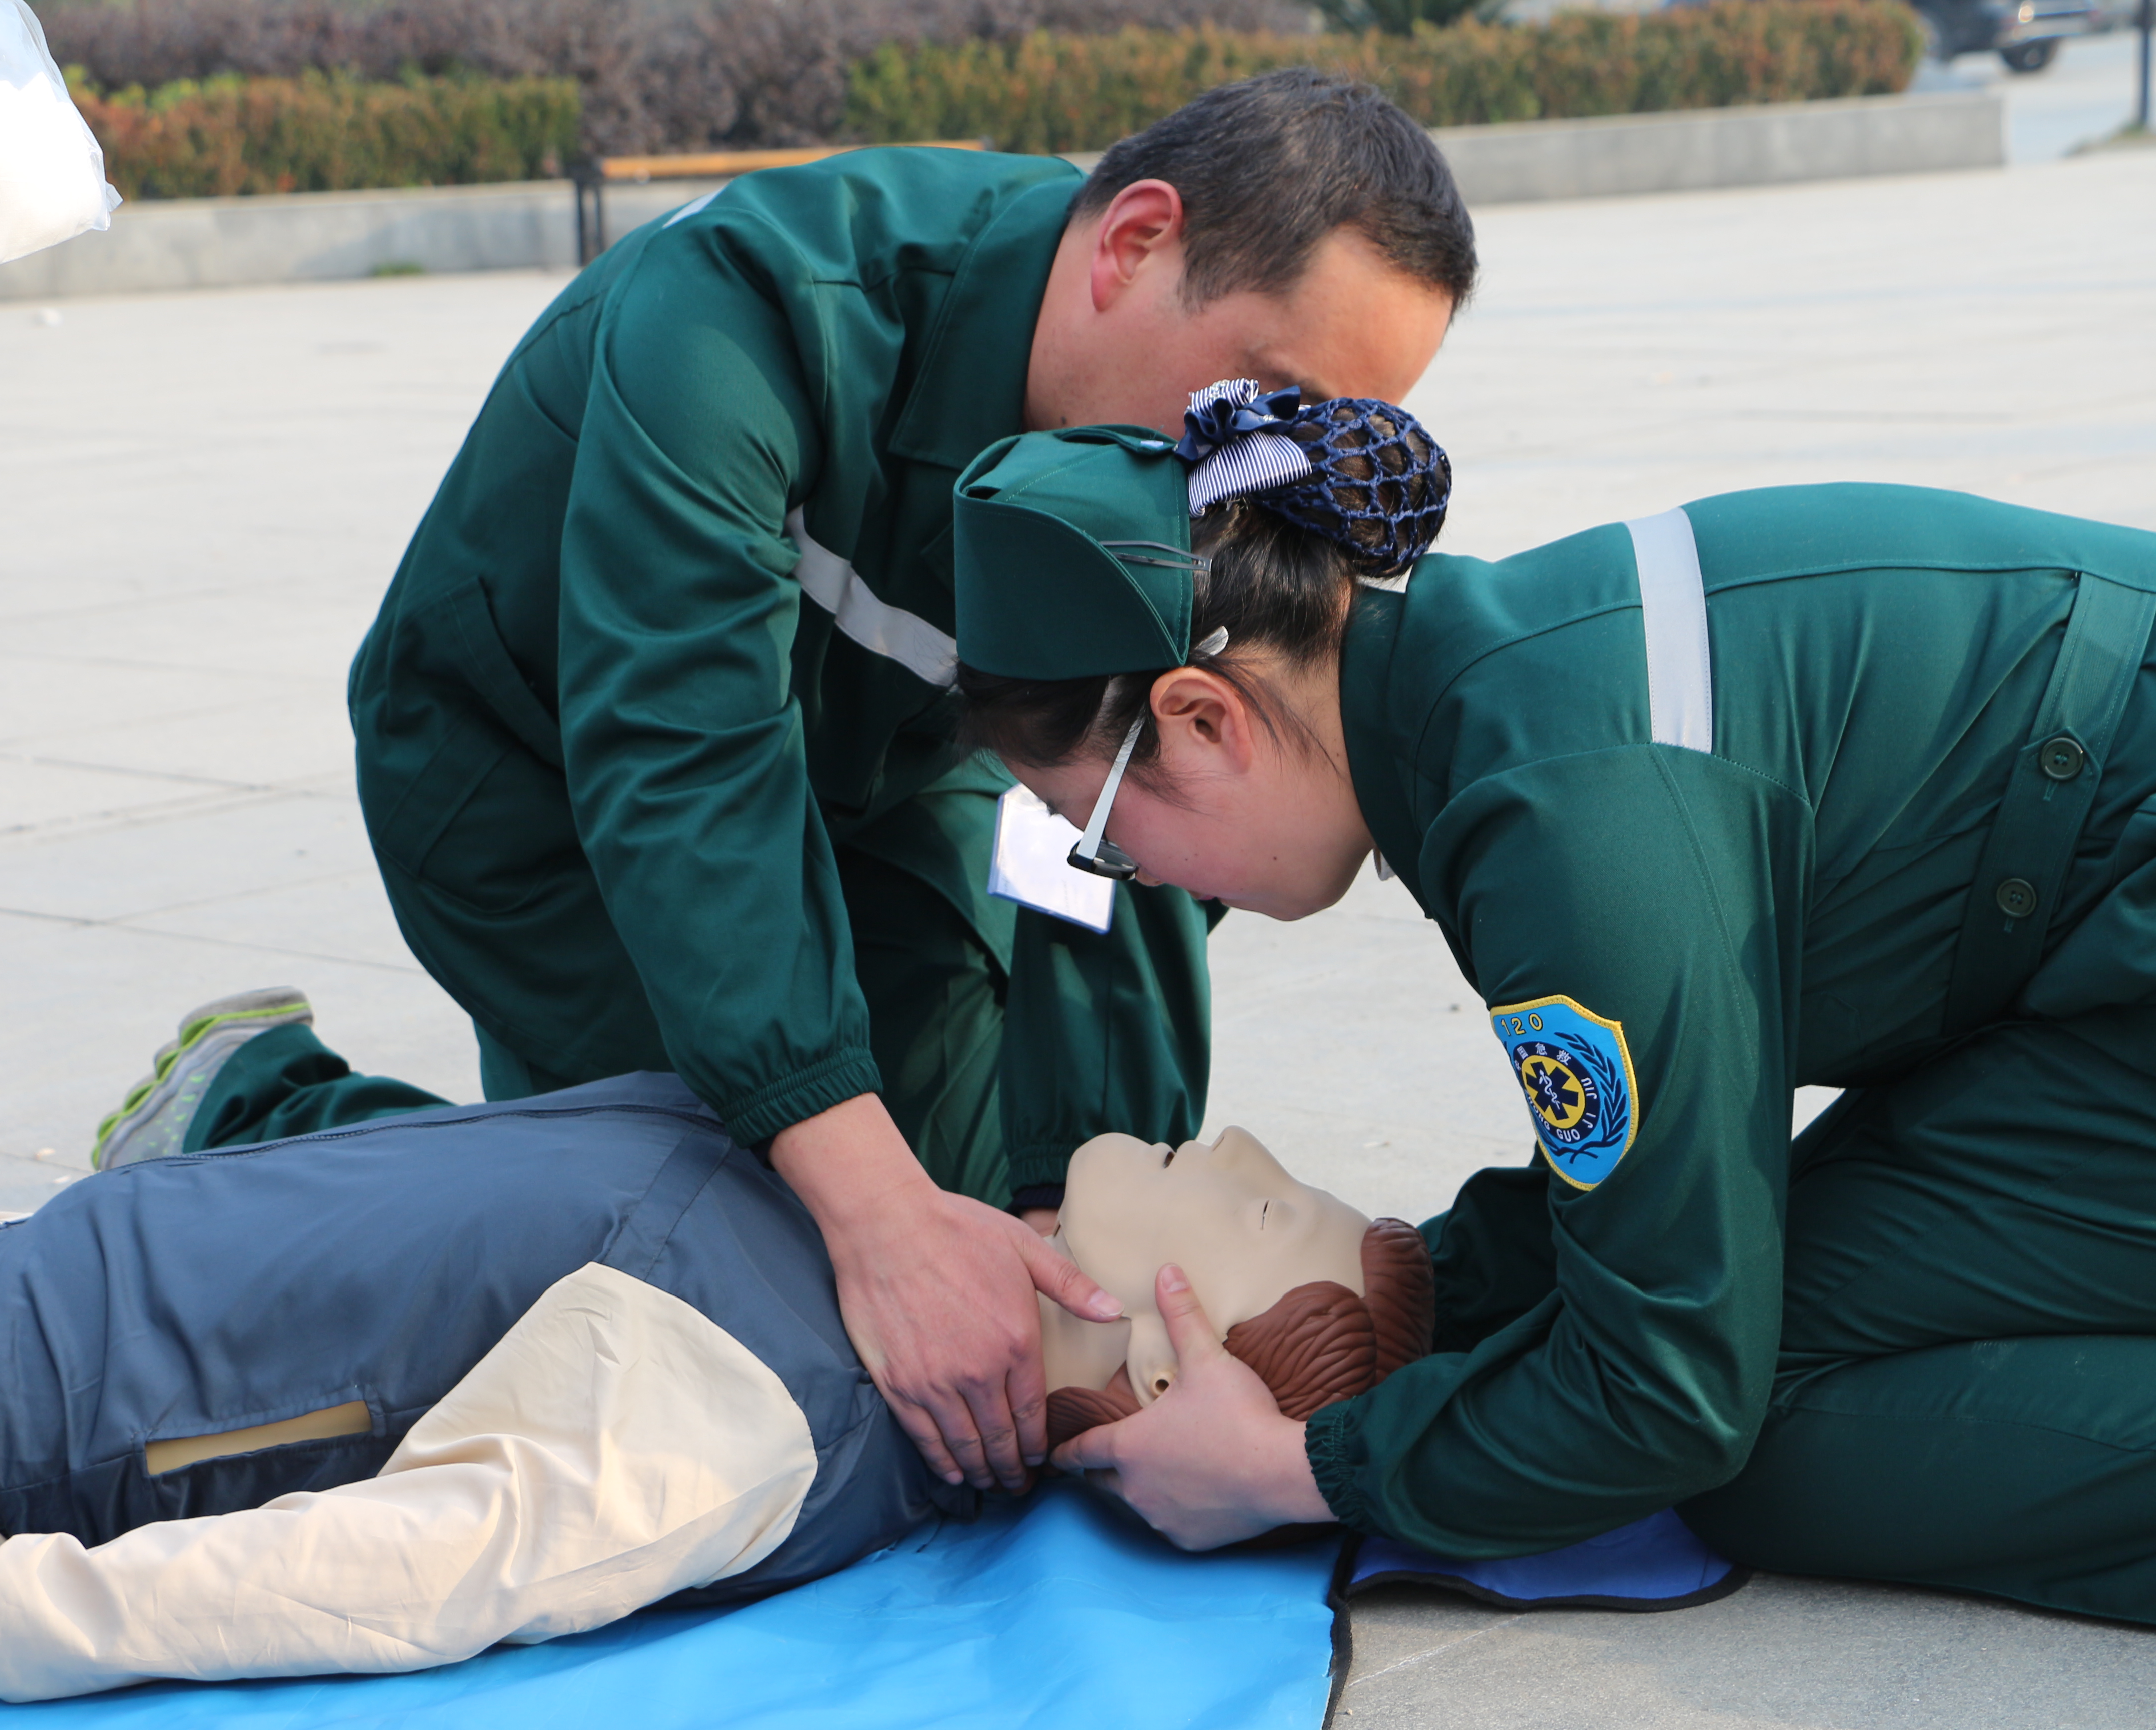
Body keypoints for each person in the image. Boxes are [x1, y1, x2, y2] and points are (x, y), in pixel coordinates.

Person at [89, 71, 1476, 1508]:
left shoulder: (1186, 479)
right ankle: (252, 1107)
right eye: (1264, 394)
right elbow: (684, 766)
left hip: (877, 786)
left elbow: (1104, 826)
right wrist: (869, 1215)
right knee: (705, 1260)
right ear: (1132, 244)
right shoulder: (752, 312)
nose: (1264, 471)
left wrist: (1072, 1182)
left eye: (1317, 437)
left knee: (979, 1260)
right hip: (548, 786)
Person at [945, 384, 2156, 1723]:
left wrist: (1295, 1474)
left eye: (1105, 832)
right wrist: (1428, 1300)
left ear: (1203, 718)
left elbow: (1671, 1387)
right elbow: (1648, 1194)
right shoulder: (1491, 690)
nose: (1130, 876)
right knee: (1771, 1304)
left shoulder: (1566, 824)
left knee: (1764, 1438)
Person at [0, 1026, 1428, 1702]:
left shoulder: (761, 1413)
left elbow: (397, 1575)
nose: (1233, 1142)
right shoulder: (877, 1225)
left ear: (1164, 1368)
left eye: (1262, 1202)